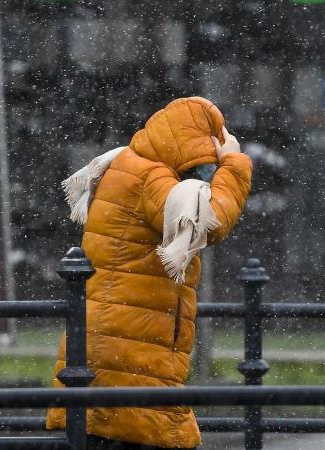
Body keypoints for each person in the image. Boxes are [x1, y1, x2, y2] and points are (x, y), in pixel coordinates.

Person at [46, 96, 253, 449]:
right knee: (145, 426)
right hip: (135, 339)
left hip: (113, 333)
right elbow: (208, 222)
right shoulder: (153, 178)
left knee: (108, 423)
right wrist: (234, 163)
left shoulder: (126, 163)